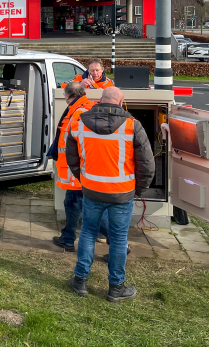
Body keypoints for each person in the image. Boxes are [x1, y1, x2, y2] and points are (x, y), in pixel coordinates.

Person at [65, 86, 154, 302]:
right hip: (122, 193)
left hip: (92, 190)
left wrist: (84, 180)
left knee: (87, 233)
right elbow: (147, 164)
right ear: (121, 102)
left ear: (100, 100)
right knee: (118, 238)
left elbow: (72, 158)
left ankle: (80, 280)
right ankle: (116, 287)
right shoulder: (133, 125)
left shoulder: (78, 122)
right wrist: (137, 189)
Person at [50, 82, 109, 251]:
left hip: (79, 170)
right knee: (74, 204)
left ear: (68, 96)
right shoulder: (81, 108)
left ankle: (117, 241)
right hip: (78, 169)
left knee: (87, 208)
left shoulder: (79, 111)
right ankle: (68, 237)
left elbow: (79, 142)